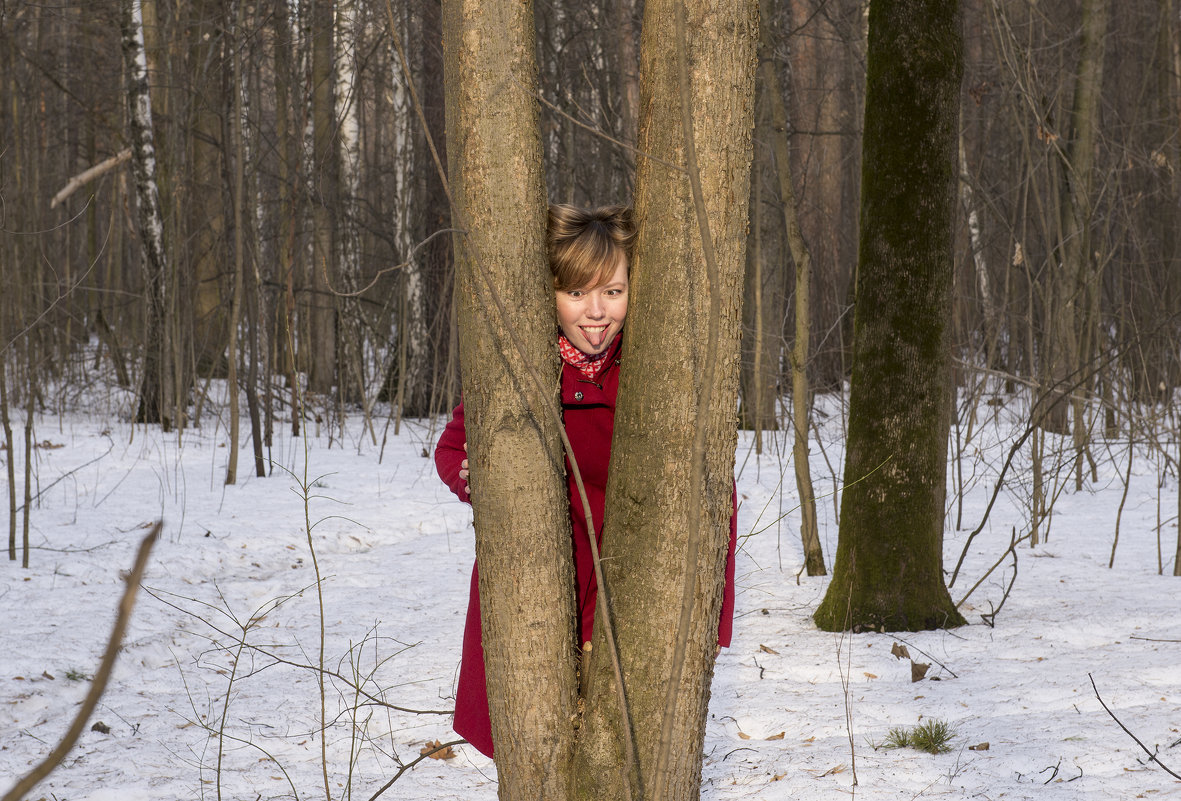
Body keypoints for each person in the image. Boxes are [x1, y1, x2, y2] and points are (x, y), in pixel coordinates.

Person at [434, 203, 737, 757]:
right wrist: (474, 475)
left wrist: (709, 622)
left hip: (629, 590)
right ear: (549, 294)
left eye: (613, 292)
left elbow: (716, 498)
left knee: (619, 752)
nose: (596, 312)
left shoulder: (652, 369)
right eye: (576, 292)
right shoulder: (522, 365)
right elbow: (454, 447)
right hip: (540, 588)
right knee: (541, 749)